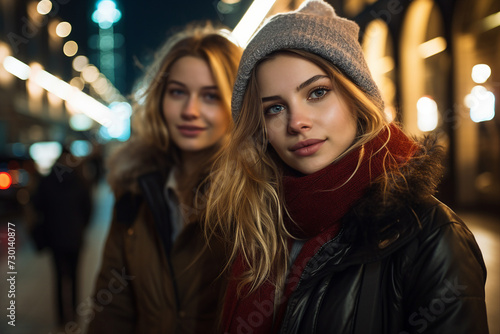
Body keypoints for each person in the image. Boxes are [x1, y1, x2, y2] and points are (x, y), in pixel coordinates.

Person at [204, 1, 489, 333]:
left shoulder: (431, 236)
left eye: (317, 92)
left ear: (357, 97)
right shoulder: (258, 226)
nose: (297, 122)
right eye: (274, 108)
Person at [87, 23, 242, 333]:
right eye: (177, 92)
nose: (190, 110)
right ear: (159, 99)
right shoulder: (134, 190)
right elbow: (111, 313)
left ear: (238, 103)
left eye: (210, 96)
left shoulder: (256, 197)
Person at [31, 147, 92, 328]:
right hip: (75, 237)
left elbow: (38, 206)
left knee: (58, 278)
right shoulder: (80, 181)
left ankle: (60, 318)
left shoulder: (48, 180)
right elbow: (88, 210)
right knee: (75, 277)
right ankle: (74, 315)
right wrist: (80, 228)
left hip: (55, 237)